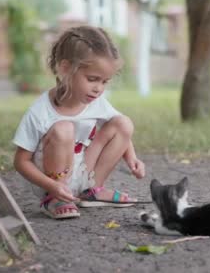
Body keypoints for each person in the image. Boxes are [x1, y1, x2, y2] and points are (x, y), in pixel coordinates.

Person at [12, 26, 145, 219]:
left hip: (83, 170)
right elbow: (20, 162)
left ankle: (92, 190)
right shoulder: (41, 112)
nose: (98, 89)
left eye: (104, 82)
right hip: (53, 180)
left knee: (123, 123)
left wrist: (132, 158)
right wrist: (52, 186)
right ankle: (55, 199)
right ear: (65, 69)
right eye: (92, 79)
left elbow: (121, 131)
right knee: (64, 128)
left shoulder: (97, 103)